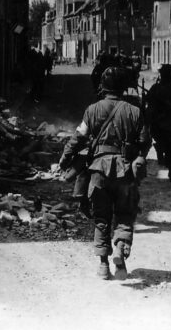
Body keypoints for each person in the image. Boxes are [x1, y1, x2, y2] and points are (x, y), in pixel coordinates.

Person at [58, 66, 150, 280]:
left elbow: (78, 137)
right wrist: (136, 153)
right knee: (125, 214)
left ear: (103, 86)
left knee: (101, 218)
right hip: (125, 170)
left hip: (98, 171)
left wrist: (65, 157)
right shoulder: (135, 111)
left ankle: (102, 266)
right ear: (123, 87)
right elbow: (145, 141)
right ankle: (120, 249)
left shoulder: (92, 110)